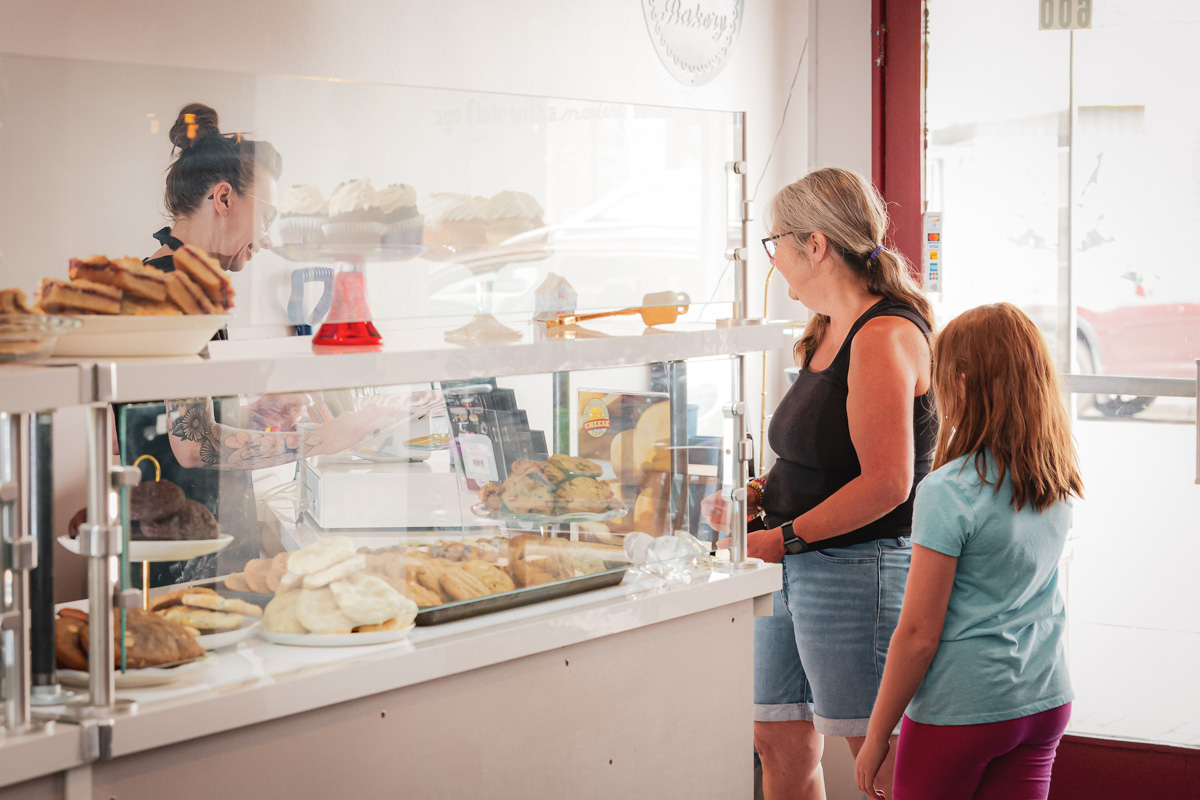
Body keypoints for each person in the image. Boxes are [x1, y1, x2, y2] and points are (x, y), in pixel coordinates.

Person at [704, 167, 937, 799]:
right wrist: (753, 496)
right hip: (790, 564)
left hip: (854, 571)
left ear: (815, 243)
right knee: (778, 741)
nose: (772, 262)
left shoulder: (884, 334)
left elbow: (889, 484)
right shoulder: (825, 329)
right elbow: (812, 456)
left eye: (774, 243)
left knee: (876, 760)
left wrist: (782, 539)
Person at [122, 103, 408, 586]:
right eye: (268, 214)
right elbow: (192, 446)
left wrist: (250, 417)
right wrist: (325, 439)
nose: (269, 238)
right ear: (224, 198)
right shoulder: (181, 293)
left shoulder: (166, 277)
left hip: (173, 539)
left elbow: (143, 427)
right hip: (181, 559)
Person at [855, 303, 1080, 800]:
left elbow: (917, 634)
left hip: (965, 706)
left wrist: (875, 738)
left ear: (958, 379)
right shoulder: (1053, 475)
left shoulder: (949, 490)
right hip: (1042, 699)